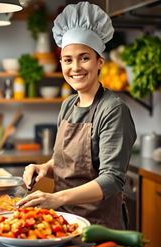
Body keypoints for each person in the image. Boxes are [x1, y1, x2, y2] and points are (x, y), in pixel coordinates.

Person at [17, 1, 137, 229]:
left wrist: (57, 198)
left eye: (84, 58)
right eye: (68, 60)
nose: (75, 67)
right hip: (64, 222)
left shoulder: (113, 109)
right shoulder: (68, 104)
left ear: (99, 62)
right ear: (61, 62)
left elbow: (112, 179)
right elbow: (67, 164)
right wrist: (44, 168)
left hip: (97, 227)